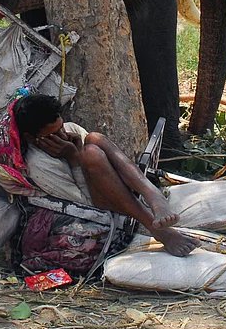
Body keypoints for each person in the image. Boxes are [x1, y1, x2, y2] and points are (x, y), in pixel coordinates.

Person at [11, 93, 200, 257]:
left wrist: (77, 152)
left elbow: (107, 163)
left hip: (114, 187)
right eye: (54, 134)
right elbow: (84, 203)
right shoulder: (39, 165)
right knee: (90, 154)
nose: (64, 134)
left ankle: (154, 196)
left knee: (94, 138)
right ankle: (156, 229)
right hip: (97, 207)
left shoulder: (71, 130)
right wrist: (74, 158)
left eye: (61, 127)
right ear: (31, 138)